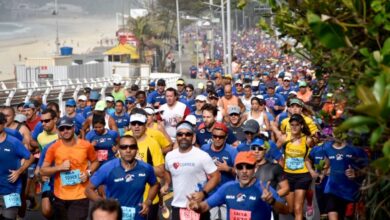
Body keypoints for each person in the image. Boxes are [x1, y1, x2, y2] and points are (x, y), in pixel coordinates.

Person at [188, 151, 287, 219]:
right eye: (240, 167)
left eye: (248, 167)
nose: (244, 171)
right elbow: (204, 207)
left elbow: (285, 210)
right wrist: (197, 207)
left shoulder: (264, 189)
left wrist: (272, 201)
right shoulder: (228, 188)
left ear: (255, 168)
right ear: (235, 169)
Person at [85, 135, 159, 220]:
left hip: (138, 216)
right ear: (119, 149)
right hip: (113, 216)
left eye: (132, 147)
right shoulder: (108, 168)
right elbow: (88, 190)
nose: (128, 150)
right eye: (124, 147)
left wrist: (148, 202)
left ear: (137, 149)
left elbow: (155, 185)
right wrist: (104, 204)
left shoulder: (146, 168)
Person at [40, 117, 100, 220]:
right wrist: (59, 167)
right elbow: (43, 170)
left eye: (68, 128)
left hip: (81, 194)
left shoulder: (86, 145)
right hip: (60, 195)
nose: (65, 131)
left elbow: (95, 162)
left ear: (73, 128)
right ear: (58, 131)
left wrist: (88, 172)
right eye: (62, 129)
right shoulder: (53, 148)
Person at [161, 121, 221, 220]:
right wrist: (167, 184)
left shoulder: (202, 155)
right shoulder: (170, 156)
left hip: (198, 206)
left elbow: (216, 176)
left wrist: (203, 193)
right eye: (180, 134)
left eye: (187, 134)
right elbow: (167, 171)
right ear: (176, 137)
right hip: (177, 206)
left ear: (193, 137)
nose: (183, 137)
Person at [271, 114, 314, 220]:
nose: (294, 127)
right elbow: (273, 150)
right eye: (292, 125)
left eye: (297, 125)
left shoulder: (307, 140)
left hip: (303, 175)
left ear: (301, 126)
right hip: (287, 175)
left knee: (298, 207)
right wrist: (280, 161)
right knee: (291, 209)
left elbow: (314, 155)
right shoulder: (285, 138)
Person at [125, 109, 166, 220]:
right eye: (134, 124)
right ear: (130, 125)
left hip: (148, 198)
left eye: (140, 124)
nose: (136, 126)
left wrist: (141, 164)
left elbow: (161, 172)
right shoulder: (126, 139)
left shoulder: (152, 144)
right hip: (127, 196)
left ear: (145, 126)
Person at [0, 112, 35, 220]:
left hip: (11, 190)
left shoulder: (13, 142)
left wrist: (19, 171)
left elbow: (30, 157)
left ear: (3, 124)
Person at [200, 122, 238, 220]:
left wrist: (228, 169)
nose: (217, 139)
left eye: (220, 137)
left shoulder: (232, 151)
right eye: (215, 136)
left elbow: (241, 172)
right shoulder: (204, 149)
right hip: (210, 194)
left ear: (226, 137)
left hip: (228, 194)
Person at [251, 138, 290, 219]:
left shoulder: (275, 167)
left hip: (269, 208)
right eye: (254, 148)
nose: (256, 151)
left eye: (260, 148)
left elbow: (286, 188)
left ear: (265, 150)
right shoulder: (245, 168)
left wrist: (271, 196)